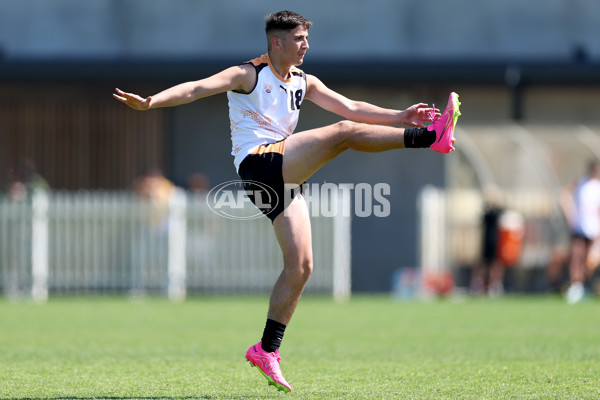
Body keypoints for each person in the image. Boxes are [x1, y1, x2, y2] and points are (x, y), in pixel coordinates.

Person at [113, 10, 461, 392]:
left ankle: (266, 349)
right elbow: (196, 88)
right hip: (258, 164)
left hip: (283, 173)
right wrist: (150, 103)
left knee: (302, 266)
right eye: (299, 39)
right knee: (342, 134)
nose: (306, 45)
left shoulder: (303, 81)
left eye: (307, 39)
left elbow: (350, 106)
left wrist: (400, 115)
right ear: (276, 42)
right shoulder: (248, 74)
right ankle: (431, 138)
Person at [561, 160, 600, 304]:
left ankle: (584, 285)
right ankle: (575, 285)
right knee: (576, 256)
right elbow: (565, 194)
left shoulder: (597, 187)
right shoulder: (581, 182)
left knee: (588, 260)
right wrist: (570, 214)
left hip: (593, 229)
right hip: (579, 227)